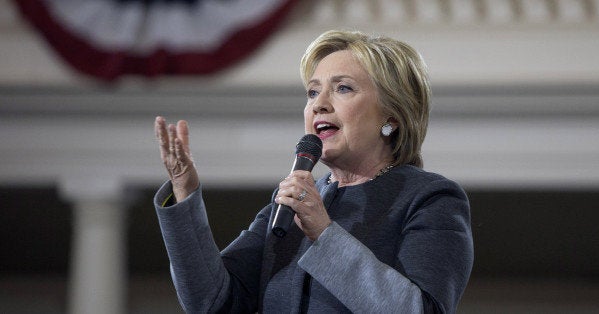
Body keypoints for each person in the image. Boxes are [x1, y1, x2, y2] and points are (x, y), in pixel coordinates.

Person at [153, 30, 473, 313]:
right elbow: (211, 301)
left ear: (392, 116)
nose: (319, 104)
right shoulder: (289, 203)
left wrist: (323, 232)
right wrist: (184, 195)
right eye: (312, 92)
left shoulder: (431, 200)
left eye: (343, 88)